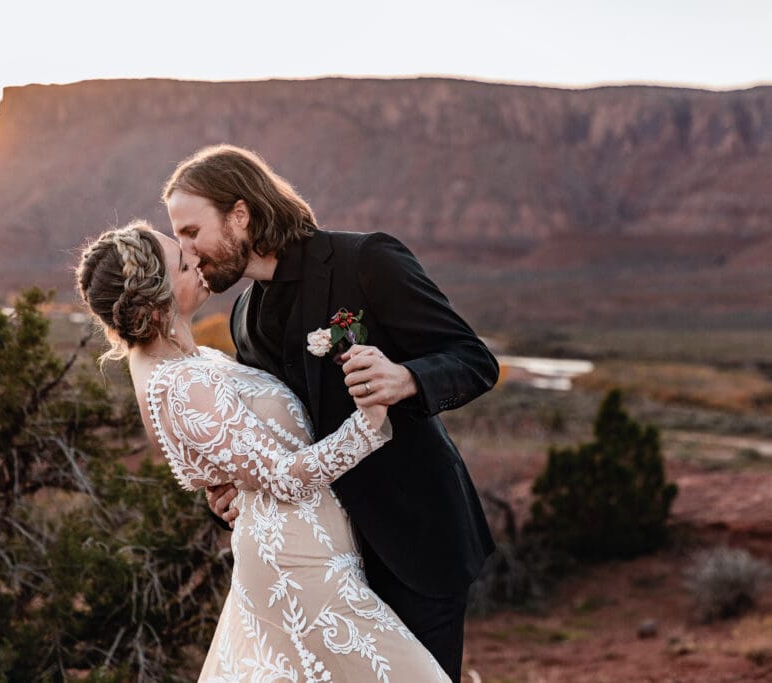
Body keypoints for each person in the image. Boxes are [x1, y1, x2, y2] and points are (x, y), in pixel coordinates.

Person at [162, 144, 499, 682]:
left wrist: (406, 378)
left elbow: (475, 361)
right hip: (325, 565)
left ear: (241, 215)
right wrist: (237, 486)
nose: (187, 251)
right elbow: (279, 433)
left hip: (415, 542)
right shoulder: (244, 317)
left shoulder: (366, 260)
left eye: (191, 231)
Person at [76, 221, 451, 682]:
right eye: (181, 263)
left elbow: (242, 457)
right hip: (298, 568)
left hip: (315, 553)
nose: (195, 259)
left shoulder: (186, 361)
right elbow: (285, 477)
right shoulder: (180, 382)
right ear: (155, 301)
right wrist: (370, 419)